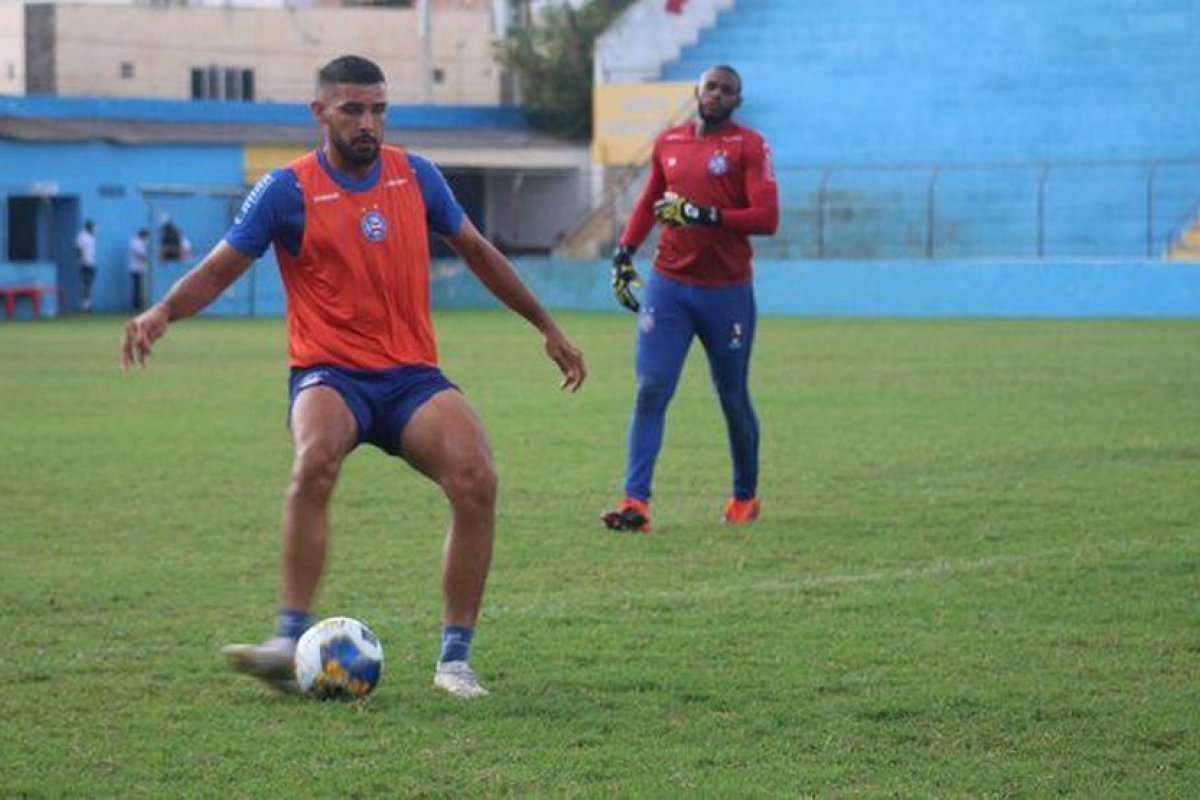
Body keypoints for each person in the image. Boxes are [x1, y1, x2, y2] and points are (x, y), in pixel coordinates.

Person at [121, 55, 587, 698]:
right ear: (320, 112)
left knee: (477, 478)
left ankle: (454, 661)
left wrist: (546, 325)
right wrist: (163, 310)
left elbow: (477, 250)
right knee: (314, 460)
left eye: (378, 109)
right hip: (329, 372)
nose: (368, 123)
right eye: (352, 109)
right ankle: (288, 639)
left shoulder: (416, 176)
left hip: (411, 377)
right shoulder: (286, 189)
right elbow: (223, 265)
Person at [602, 64, 779, 533]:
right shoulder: (670, 142)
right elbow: (648, 203)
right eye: (711, 87)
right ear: (696, 92)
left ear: (737, 101)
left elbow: (766, 216)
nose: (717, 95)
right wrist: (623, 254)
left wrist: (702, 214)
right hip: (669, 288)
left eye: (727, 90)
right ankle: (635, 503)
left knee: (732, 395)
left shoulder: (750, 145)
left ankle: (745, 496)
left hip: (727, 293)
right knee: (651, 389)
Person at [75, 219, 97, 312]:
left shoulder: (91, 236)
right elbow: (78, 249)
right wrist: (81, 260)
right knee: (86, 284)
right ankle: (85, 306)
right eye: (93, 227)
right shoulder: (82, 236)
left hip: (92, 262)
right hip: (85, 263)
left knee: (89, 284)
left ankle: (87, 304)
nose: (95, 229)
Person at [127, 228, 150, 310]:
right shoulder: (134, 242)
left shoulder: (143, 242)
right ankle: (137, 306)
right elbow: (141, 254)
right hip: (136, 268)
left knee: (141, 288)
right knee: (137, 288)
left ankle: (141, 304)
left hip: (142, 268)